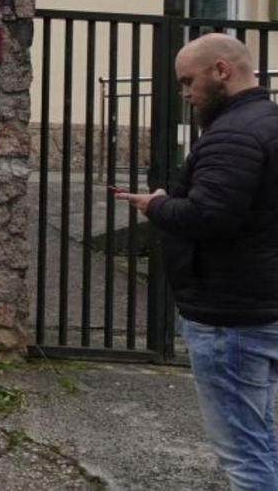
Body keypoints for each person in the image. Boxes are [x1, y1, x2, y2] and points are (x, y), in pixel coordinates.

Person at [115, 34, 278, 489]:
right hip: (258, 304)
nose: (185, 93)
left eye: (188, 81)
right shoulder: (267, 122)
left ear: (221, 70)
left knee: (245, 454)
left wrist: (158, 206)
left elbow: (210, 215)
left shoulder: (233, 135)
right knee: (258, 437)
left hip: (231, 317)